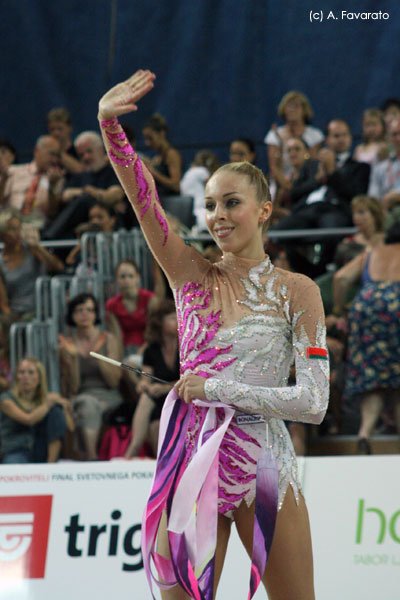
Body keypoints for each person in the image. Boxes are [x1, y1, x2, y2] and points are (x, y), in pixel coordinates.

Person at [98, 70, 329, 600]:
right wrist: (110, 127)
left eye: (231, 202)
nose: (217, 216)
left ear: (265, 211)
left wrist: (215, 388)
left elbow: (314, 403)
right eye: (210, 205)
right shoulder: (189, 275)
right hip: (191, 460)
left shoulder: (299, 292)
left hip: (264, 467)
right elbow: (143, 199)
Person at [333, 221, 400, 454]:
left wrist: (340, 312)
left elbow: (340, 278)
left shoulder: (372, 253)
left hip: (367, 306)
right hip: (397, 305)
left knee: (373, 379)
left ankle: (364, 433)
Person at [59, 292, 122, 460]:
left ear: (96, 314)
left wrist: (99, 355)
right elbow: (72, 388)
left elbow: (114, 381)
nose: (85, 314)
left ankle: (89, 457)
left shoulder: (109, 339)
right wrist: (72, 359)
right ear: (72, 316)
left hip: (108, 395)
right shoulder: (67, 345)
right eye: (79, 310)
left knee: (90, 405)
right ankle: (92, 458)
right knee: (87, 404)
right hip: (82, 395)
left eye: (89, 310)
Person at [44, 131, 125, 240]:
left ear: (101, 150)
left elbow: (112, 196)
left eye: (89, 151)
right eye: (81, 155)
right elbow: (64, 196)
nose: (86, 157)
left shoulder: (114, 174)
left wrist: (87, 193)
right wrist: (92, 192)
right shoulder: (79, 177)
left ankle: (50, 236)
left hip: (107, 228)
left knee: (85, 199)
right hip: (78, 229)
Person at [125, 299, 179, 458]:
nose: (177, 321)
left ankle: (131, 452)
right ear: (159, 323)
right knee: (146, 399)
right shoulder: (151, 350)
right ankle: (135, 447)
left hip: (180, 396)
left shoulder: (185, 347)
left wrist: (165, 387)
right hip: (158, 398)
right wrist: (143, 385)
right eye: (172, 318)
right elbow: (145, 378)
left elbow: (189, 379)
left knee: (155, 419)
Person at [0, 357, 71, 463]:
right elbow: (29, 420)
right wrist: (48, 403)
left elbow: (71, 427)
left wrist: (63, 407)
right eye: (21, 372)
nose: (25, 376)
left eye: (31, 372)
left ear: (39, 378)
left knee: (56, 411)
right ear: (16, 377)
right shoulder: (6, 400)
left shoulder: (47, 400)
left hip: (41, 449)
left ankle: (50, 466)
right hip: (16, 449)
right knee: (13, 465)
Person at [0, 214, 64, 323]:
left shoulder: (31, 249)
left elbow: (58, 267)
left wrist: (38, 247)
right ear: (2, 233)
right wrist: (8, 315)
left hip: (42, 307)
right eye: (12, 229)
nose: (18, 232)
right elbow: (3, 299)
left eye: (19, 227)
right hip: (18, 311)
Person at [0, 135, 64, 229]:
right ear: (37, 151)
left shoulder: (57, 179)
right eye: (51, 154)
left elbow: (52, 212)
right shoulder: (13, 171)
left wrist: (52, 186)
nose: (55, 160)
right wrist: (4, 179)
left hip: (35, 224)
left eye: (57, 156)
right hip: (8, 220)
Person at [106, 259, 160, 356]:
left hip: (150, 347)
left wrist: (140, 353)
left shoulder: (150, 299)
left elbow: (153, 332)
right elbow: (117, 335)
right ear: (117, 279)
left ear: (138, 278)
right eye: (122, 276)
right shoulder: (112, 305)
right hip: (125, 350)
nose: (126, 280)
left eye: (131, 276)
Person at [264, 90, 324, 178]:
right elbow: (274, 167)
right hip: (281, 184)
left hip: (308, 182)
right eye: (288, 106)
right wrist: (287, 187)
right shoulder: (274, 135)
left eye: (296, 106)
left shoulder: (315, 135)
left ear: (304, 110)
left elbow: (314, 163)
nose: (292, 110)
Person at [141, 113, 183, 197]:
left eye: (150, 138)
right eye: (145, 139)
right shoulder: (157, 157)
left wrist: (153, 173)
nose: (147, 143)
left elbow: (176, 186)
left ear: (162, 133)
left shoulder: (172, 155)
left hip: (171, 203)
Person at [180, 150, 220, 232]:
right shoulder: (202, 171)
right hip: (201, 212)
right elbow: (216, 188)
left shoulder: (188, 173)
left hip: (187, 212)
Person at [368, 119, 400, 203]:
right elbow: (373, 196)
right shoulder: (380, 166)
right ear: (389, 138)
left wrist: (394, 197)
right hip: (384, 210)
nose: (398, 138)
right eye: (394, 134)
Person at [46, 107, 84, 176]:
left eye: (60, 129)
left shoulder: (79, 151)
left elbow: (81, 170)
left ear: (70, 128)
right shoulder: (47, 154)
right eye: (52, 129)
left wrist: (59, 153)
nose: (56, 133)